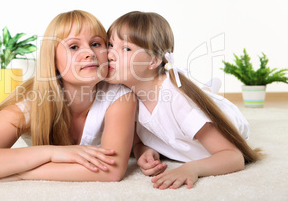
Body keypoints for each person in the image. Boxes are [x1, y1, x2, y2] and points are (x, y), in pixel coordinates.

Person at [0, 10, 136, 184]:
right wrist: (51, 153)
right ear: (53, 60)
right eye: (73, 46)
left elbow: (111, 171)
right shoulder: (29, 103)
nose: (88, 53)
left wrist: (20, 172)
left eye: (96, 44)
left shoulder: (121, 96)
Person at [106, 11, 263, 189]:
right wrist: (145, 151)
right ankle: (207, 88)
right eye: (110, 44)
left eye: (126, 49)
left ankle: (209, 90)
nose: (110, 54)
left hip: (223, 115)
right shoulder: (126, 96)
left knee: (201, 100)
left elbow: (234, 157)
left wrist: (192, 169)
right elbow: (139, 140)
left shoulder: (179, 102)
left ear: (153, 61)